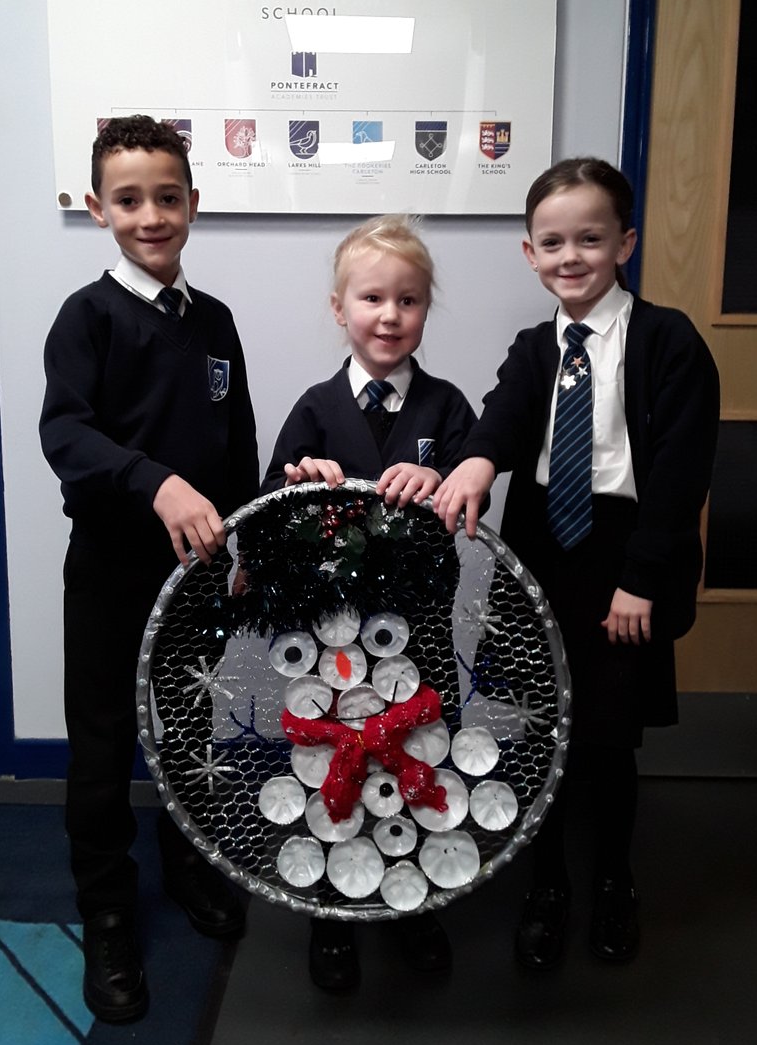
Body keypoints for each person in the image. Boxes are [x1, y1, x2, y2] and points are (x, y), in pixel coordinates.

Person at [434, 158, 719, 970]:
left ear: (623, 242)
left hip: (625, 555)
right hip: (544, 560)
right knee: (536, 732)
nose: (571, 257)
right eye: (553, 242)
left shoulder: (666, 340)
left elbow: (680, 473)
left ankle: (613, 882)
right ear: (530, 253)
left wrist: (641, 578)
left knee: (605, 738)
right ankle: (547, 882)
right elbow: (503, 419)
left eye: (590, 239)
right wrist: (480, 464)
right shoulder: (534, 348)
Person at [40, 115, 259, 1024]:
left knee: (191, 737)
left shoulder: (215, 323)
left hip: (201, 580)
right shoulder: (86, 317)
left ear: (192, 204)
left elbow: (236, 440)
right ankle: (107, 910)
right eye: (129, 199)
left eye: (167, 197)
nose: (151, 215)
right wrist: (155, 481)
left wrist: (243, 540)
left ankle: (188, 865)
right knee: (102, 752)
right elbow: (66, 435)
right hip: (111, 574)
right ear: (99, 209)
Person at [263, 214, 477, 990]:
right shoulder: (315, 409)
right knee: (332, 767)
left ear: (426, 310)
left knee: (425, 760)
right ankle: (331, 908)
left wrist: (446, 485)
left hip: (420, 633)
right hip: (332, 643)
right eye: (373, 298)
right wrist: (296, 489)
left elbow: (472, 501)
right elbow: (266, 513)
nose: (390, 316)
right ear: (338, 308)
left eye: (410, 300)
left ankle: (421, 902)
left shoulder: (449, 409)